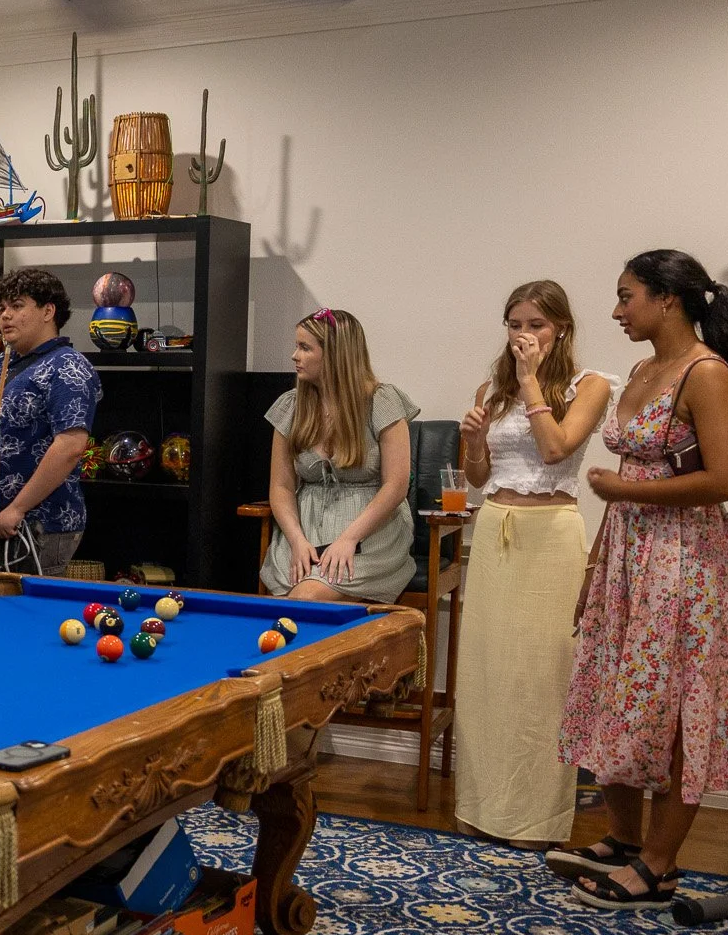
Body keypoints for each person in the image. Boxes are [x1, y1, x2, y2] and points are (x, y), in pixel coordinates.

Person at [553, 251, 728, 910]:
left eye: (627, 296)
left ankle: (658, 864)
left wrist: (621, 486)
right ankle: (621, 838)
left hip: (683, 566)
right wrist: (594, 567)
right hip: (626, 557)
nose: (617, 311)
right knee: (614, 693)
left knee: (677, 711)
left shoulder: (706, 373)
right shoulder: (643, 369)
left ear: (668, 299)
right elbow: (625, 491)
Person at [453, 281, 614, 850]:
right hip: (497, 527)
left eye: (536, 325)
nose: (524, 336)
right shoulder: (490, 389)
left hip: (551, 533)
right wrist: (472, 442)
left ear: (561, 328)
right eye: (515, 324)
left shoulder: (589, 385)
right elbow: (477, 477)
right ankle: (480, 805)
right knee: (489, 670)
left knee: (543, 676)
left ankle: (535, 818)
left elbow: (555, 449)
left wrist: (528, 384)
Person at [260, 308, 418, 603]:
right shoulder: (291, 406)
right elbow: (281, 487)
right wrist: (295, 540)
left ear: (335, 355)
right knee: (290, 601)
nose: (295, 356)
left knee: (305, 599)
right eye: (296, 346)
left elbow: (396, 486)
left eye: (305, 348)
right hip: (303, 532)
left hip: (368, 534)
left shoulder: (381, 401)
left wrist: (348, 539)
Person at [0, 267, 100, 574]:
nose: (4, 316)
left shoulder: (69, 367)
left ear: (48, 311)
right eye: (2, 308)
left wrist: (17, 508)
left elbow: (71, 446)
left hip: (39, 522)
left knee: (28, 617)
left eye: (17, 306)